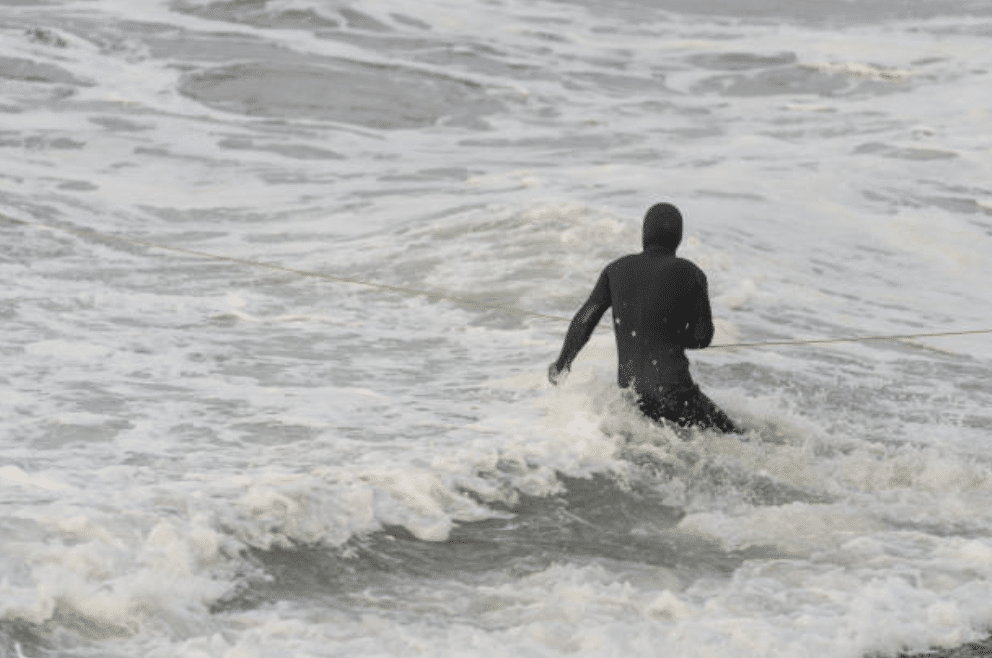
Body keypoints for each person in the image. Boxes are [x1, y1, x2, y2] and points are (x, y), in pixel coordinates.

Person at [548, 202, 741, 434]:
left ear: (644, 235)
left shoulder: (615, 270)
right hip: (676, 393)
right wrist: (674, 336)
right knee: (741, 439)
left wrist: (562, 364)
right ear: (678, 238)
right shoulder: (691, 273)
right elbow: (702, 336)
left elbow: (584, 320)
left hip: (632, 396)